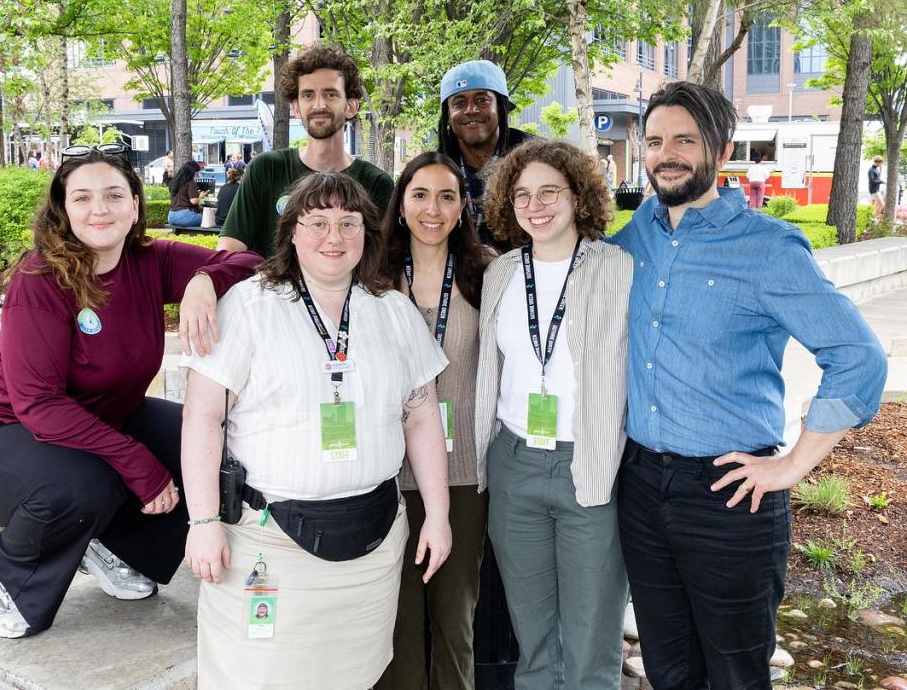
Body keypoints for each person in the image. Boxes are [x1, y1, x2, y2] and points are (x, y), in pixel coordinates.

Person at [610, 81, 887, 690]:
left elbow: (859, 359)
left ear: (721, 146)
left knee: (736, 673)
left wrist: (791, 465)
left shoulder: (769, 248)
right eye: (655, 142)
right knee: (668, 667)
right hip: (639, 487)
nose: (666, 154)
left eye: (685, 139)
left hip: (731, 494)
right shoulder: (630, 243)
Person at [0, 143, 260, 639]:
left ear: (135, 205)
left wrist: (202, 279)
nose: (100, 209)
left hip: (104, 420)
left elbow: (252, 265)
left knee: (212, 442)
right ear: (64, 210)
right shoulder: (39, 278)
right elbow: (38, 404)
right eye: (82, 198)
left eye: (113, 195)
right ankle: (7, 567)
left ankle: (117, 548)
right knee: (87, 483)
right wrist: (137, 463)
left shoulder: (151, 260)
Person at [181, 171, 452, 690]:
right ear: (291, 232)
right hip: (270, 545)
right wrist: (202, 521)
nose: (335, 237)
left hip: (371, 548)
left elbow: (421, 417)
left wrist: (437, 517)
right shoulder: (248, 306)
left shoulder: (393, 312)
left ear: (368, 234)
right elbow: (202, 418)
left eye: (349, 223)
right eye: (319, 222)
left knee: (358, 674)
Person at [475, 139, 632, 689]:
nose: (535, 205)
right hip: (514, 466)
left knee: (592, 642)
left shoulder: (617, 268)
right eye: (521, 195)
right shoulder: (501, 274)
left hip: (587, 467)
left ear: (578, 196)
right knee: (534, 639)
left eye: (549, 191)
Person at [375, 152, 495, 690]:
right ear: (401, 205)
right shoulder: (370, 277)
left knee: (455, 620)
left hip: (463, 472)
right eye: (420, 194)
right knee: (395, 624)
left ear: (462, 208)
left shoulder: (487, 273)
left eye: (448, 196)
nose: (433, 208)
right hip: (384, 471)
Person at [217, 44, 393, 257]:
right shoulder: (266, 169)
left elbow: (380, 264)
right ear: (296, 107)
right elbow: (228, 252)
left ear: (351, 107)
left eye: (330, 94)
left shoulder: (375, 183)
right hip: (269, 289)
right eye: (308, 95)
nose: (319, 105)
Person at [436, 59, 536, 247]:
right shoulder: (434, 167)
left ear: (500, 106)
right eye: (459, 103)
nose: (471, 110)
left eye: (482, 100)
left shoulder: (536, 157)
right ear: (448, 115)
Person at [167, 160, 206, 227]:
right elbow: (193, 201)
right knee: (208, 219)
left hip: (171, 217)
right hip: (184, 216)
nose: (198, 174)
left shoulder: (175, 181)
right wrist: (201, 196)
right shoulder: (191, 182)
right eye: (197, 172)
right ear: (193, 171)